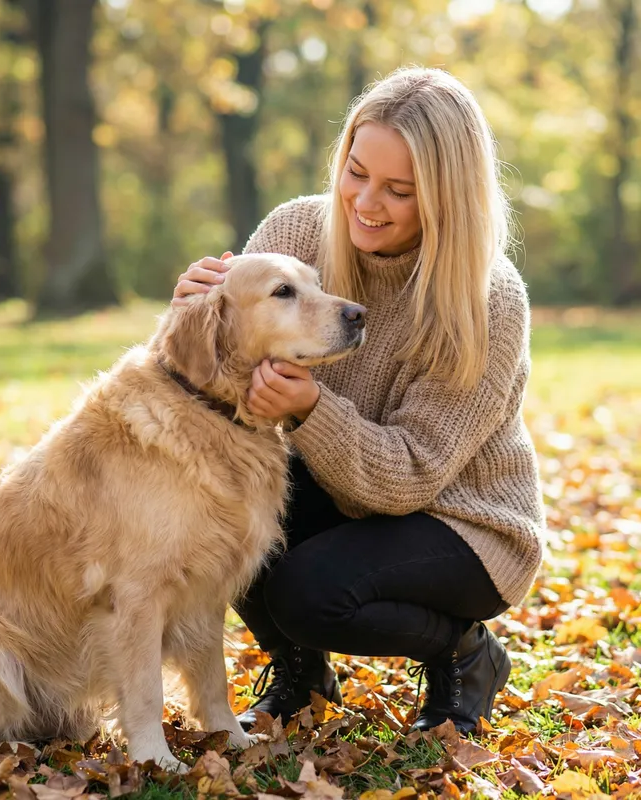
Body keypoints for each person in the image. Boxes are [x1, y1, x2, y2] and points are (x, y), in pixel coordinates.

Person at [171, 66, 544, 734]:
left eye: (400, 191)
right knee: (226, 508)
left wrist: (310, 408)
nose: (365, 202)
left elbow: (412, 477)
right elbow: (212, 391)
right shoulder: (295, 234)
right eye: (356, 172)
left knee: (310, 594)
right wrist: (194, 320)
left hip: (461, 521)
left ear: (447, 196)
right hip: (336, 486)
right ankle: (302, 676)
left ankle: (465, 656)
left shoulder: (488, 298)